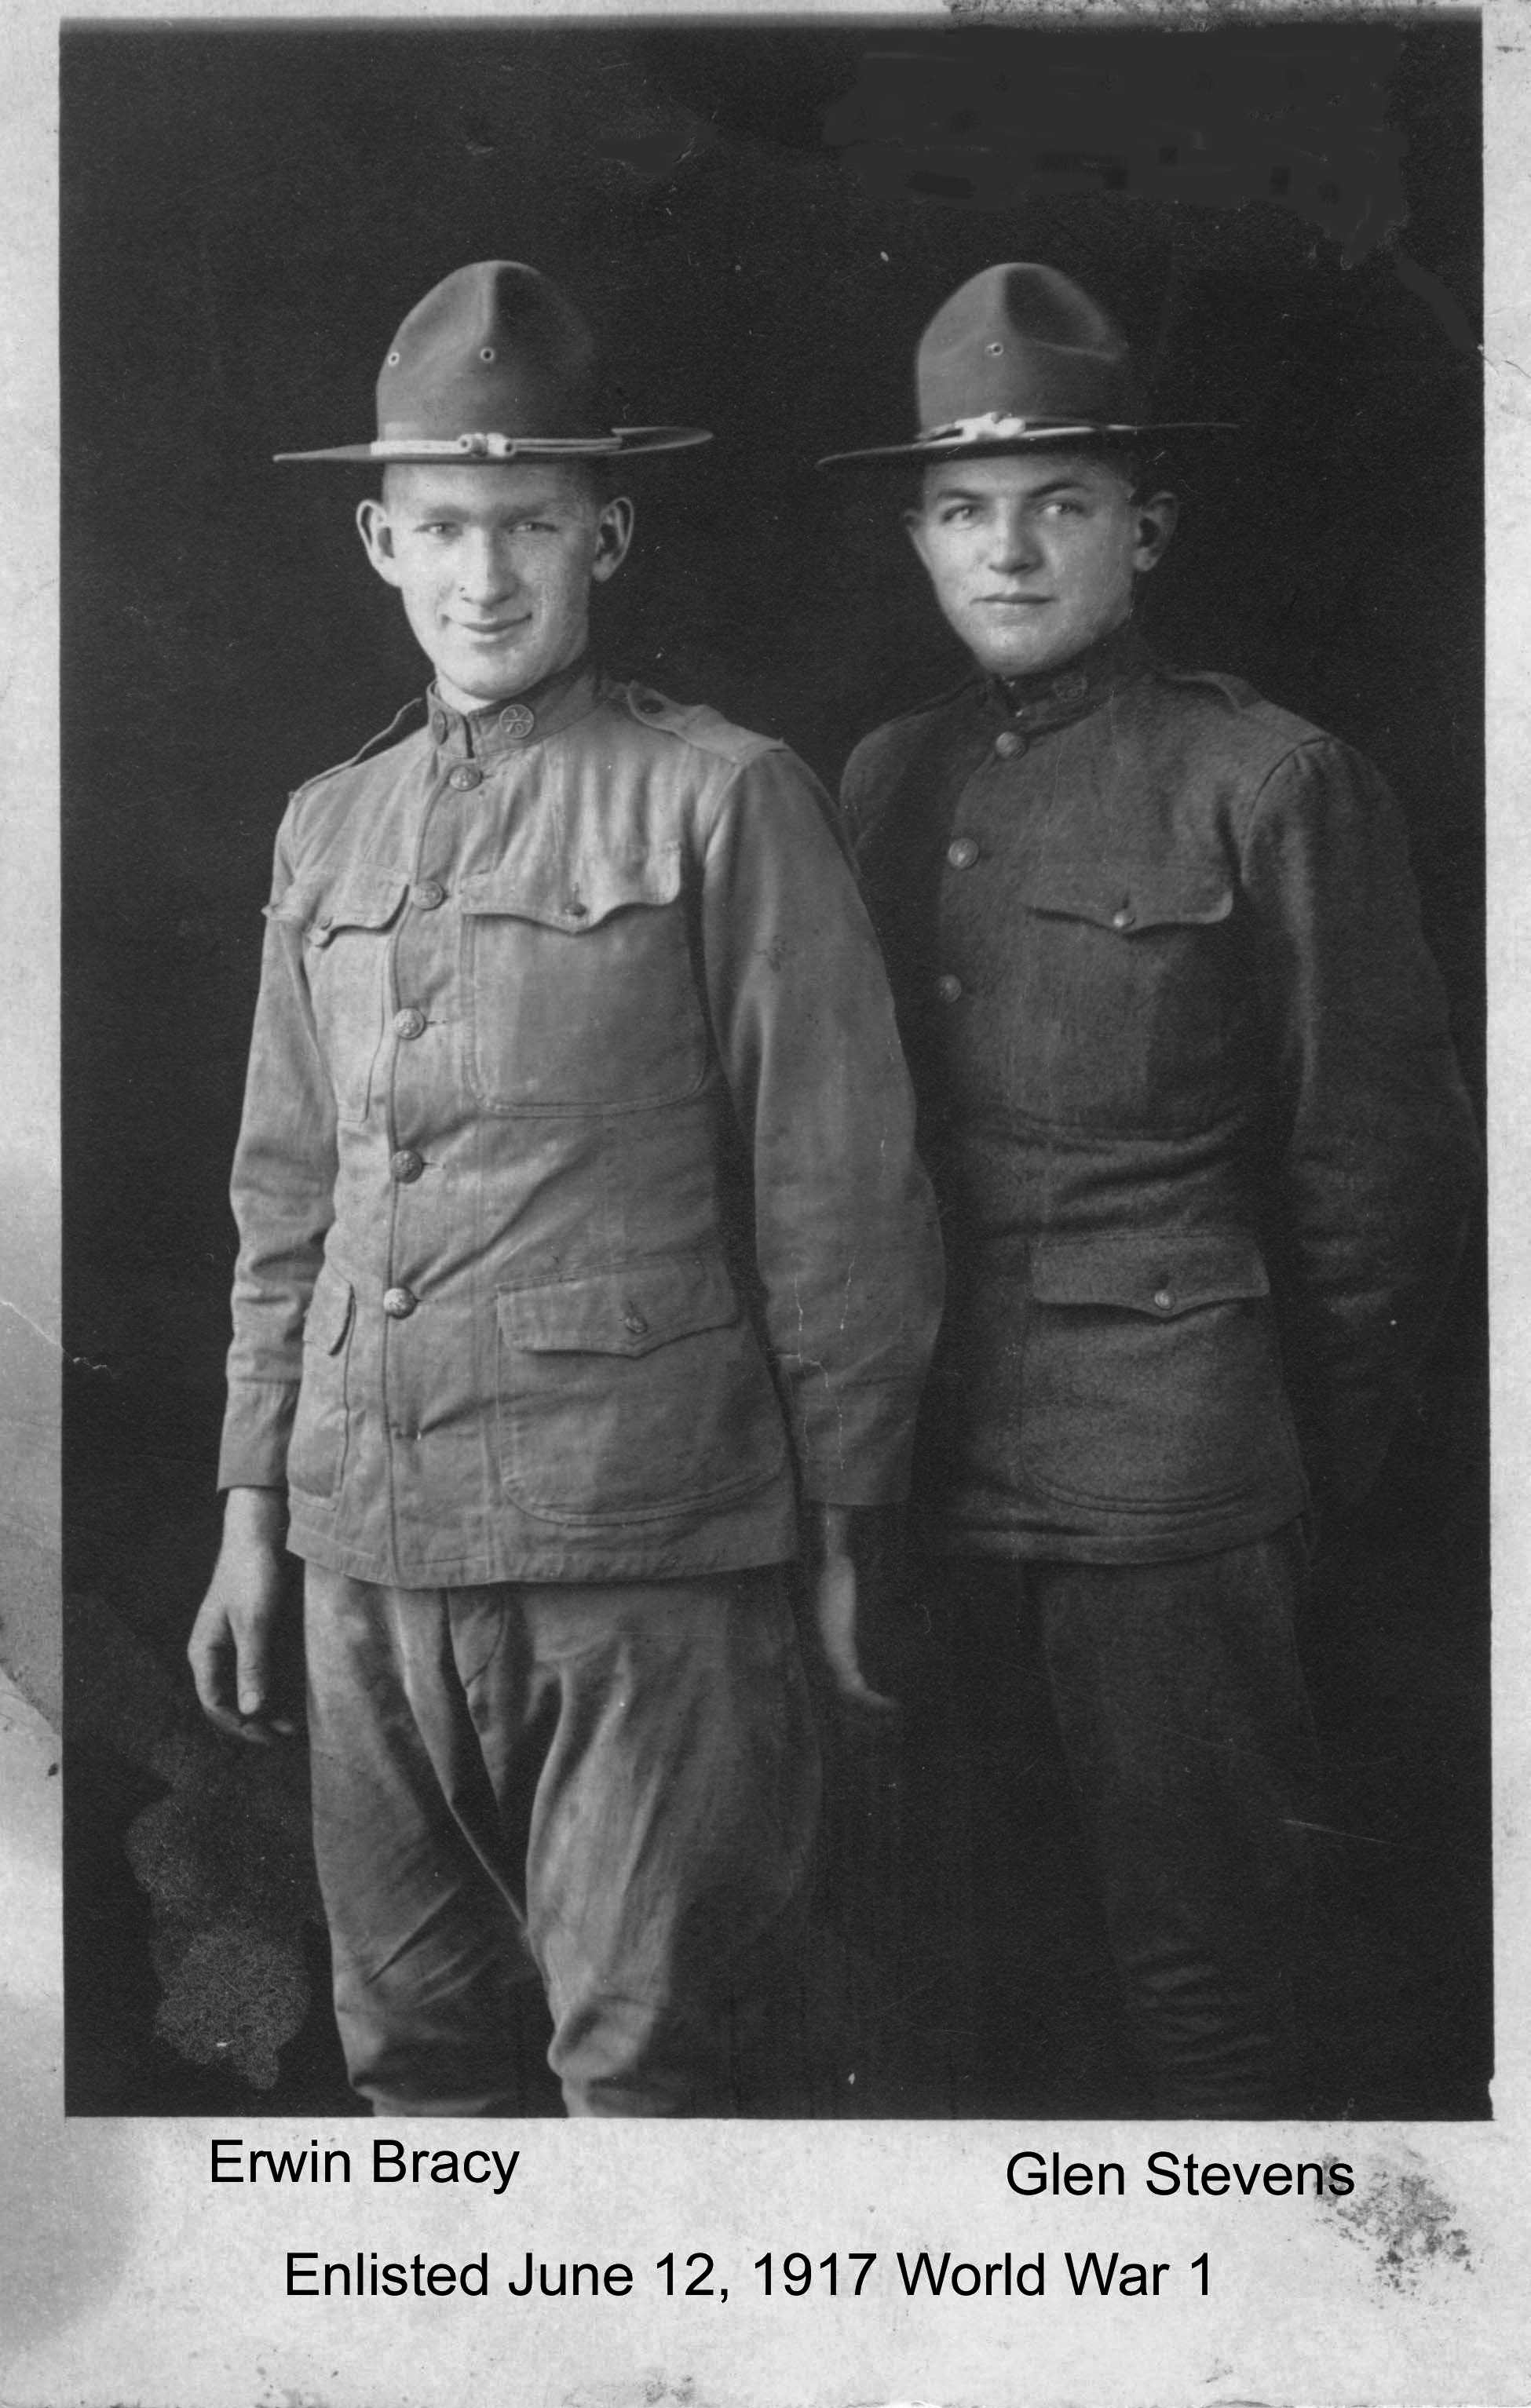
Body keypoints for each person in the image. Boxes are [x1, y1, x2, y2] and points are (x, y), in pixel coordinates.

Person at [187, 259, 941, 2118]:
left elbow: (840, 1195)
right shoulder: (327, 824)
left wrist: (848, 1531)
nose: (487, 573)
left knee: (643, 2067)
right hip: (364, 1548)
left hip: (644, 1550)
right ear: (380, 539)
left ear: (605, 533)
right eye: (445, 527)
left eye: (530, 523)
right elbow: (286, 1193)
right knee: (412, 2061)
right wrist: (251, 1515)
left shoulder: (721, 799)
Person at [820, 261, 1480, 2114]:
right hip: (927, 1466)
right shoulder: (885, 777)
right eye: (965, 507)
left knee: (1202, 1977)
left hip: (1172, 1477)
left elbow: (1383, 1166)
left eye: (1061, 502)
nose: (1009, 548)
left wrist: (1273, 1450)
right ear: (919, 538)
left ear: (1149, 529)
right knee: (956, 1960)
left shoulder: (1265, 780)